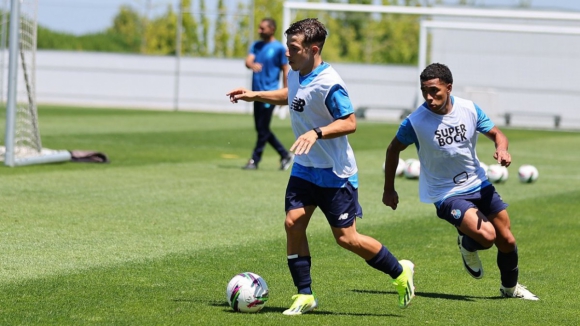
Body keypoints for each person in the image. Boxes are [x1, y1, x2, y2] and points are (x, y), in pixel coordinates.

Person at [227, 18, 415, 315]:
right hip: (304, 166)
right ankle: (304, 294)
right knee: (293, 223)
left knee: (346, 239)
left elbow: (350, 122)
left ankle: (400, 271)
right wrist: (255, 95)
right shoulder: (297, 72)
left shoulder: (330, 83)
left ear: (313, 49)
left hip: (334, 172)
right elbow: (291, 96)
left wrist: (316, 132)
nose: (286, 53)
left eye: (293, 48)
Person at [382, 62, 538, 300]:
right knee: (487, 238)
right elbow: (393, 149)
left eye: (435, 90)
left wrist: (502, 149)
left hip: (478, 182)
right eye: (425, 90)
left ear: (449, 87)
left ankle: (510, 289)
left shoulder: (469, 109)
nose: (429, 97)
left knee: (506, 239)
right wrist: (389, 189)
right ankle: (467, 244)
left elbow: (497, 134)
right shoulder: (415, 121)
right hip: (445, 193)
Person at [243, 17, 293, 170]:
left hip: (270, 94)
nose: (259, 31)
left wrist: (286, 92)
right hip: (256, 93)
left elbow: (285, 69)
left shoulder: (279, 48)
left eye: (262, 28)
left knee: (262, 128)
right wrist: (252, 64)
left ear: (272, 29)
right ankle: (284, 154)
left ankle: (255, 160)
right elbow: (248, 61)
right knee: (261, 129)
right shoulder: (256, 45)